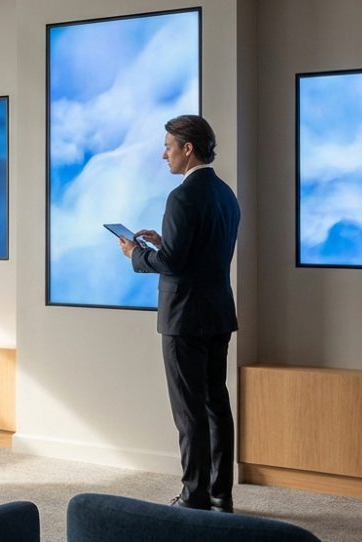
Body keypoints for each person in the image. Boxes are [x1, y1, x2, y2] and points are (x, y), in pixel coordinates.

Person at [118, 114, 240, 513]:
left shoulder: (182, 197)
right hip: (218, 313)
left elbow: (173, 263)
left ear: (188, 149)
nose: (163, 154)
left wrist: (136, 252)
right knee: (215, 405)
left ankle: (194, 497)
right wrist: (164, 240)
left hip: (184, 318)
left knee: (188, 411)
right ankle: (221, 495)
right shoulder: (226, 194)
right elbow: (197, 254)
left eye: (168, 146)